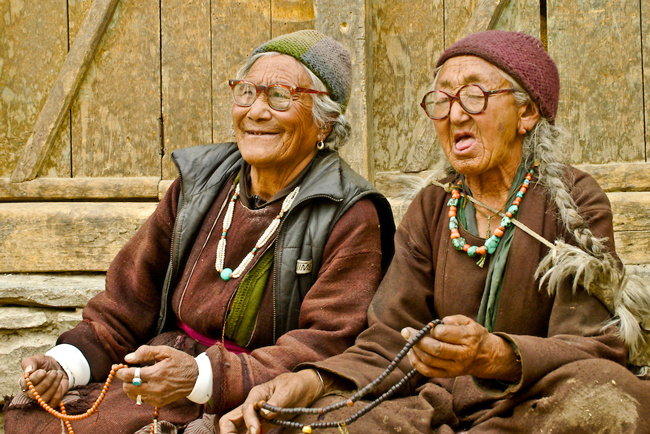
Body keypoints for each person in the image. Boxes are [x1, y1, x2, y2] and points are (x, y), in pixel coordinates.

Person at [219, 30, 650, 433]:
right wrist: (310, 382)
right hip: (434, 407)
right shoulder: (433, 204)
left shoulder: (575, 199)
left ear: (528, 112)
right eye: (441, 100)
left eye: (475, 96)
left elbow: (593, 347)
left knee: (609, 396)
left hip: (533, 403)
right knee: (313, 422)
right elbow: (389, 340)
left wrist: (495, 355)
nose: (455, 113)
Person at [4, 30, 396, 433]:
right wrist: (65, 366)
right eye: (246, 92)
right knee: (32, 420)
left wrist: (202, 376)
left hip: (257, 394)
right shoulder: (202, 184)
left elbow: (329, 343)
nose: (256, 111)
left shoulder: (350, 212)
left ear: (324, 124)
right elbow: (127, 302)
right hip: (162, 374)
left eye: (279, 95)